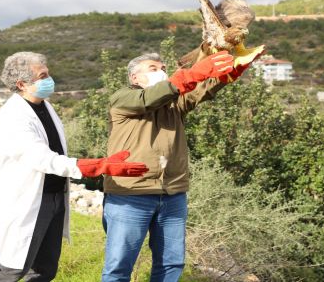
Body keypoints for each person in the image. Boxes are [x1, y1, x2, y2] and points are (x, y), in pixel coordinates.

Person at [0, 52, 148, 282]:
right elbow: (42, 158)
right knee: (12, 268)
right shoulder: (13, 117)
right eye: (43, 75)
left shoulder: (44, 106)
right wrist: (95, 166)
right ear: (22, 84)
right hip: (29, 200)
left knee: (44, 270)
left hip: (54, 197)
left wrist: (92, 170)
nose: (49, 79)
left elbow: (57, 152)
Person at [101, 50, 254, 281]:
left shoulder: (174, 103)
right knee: (119, 265)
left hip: (172, 194)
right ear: (134, 78)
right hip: (131, 193)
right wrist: (192, 72)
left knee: (171, 264)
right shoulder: (123, 98)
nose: (161, 72)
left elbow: (199, 90)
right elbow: (148, 99)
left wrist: (229, 72)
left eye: (163, 68)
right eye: (153, 68)